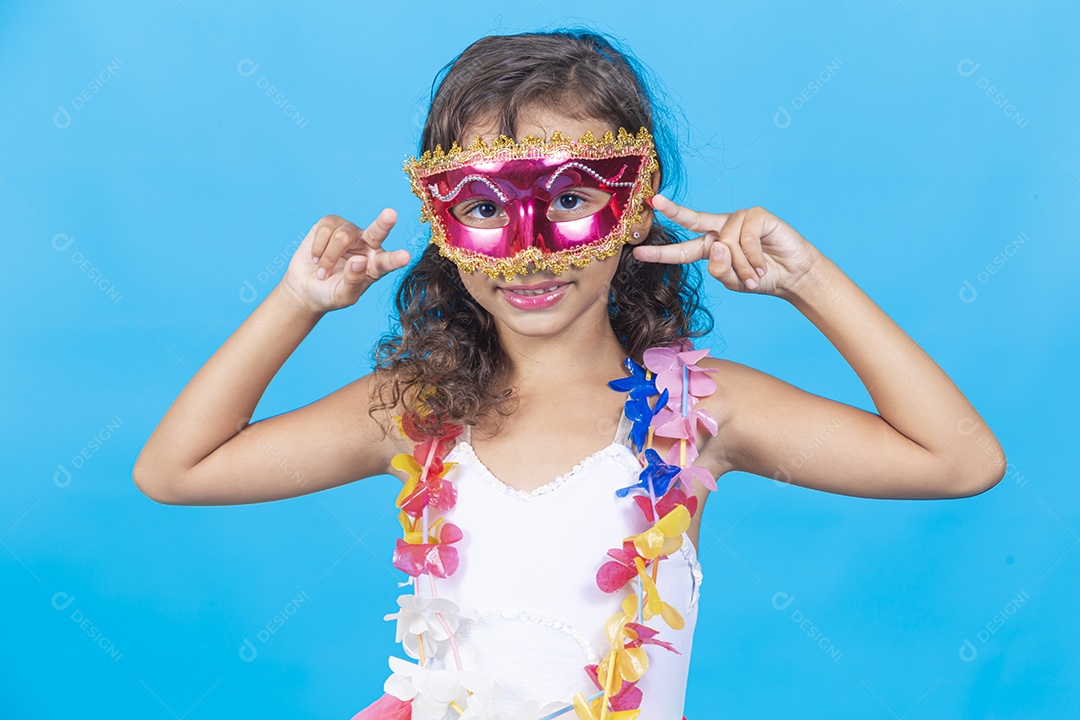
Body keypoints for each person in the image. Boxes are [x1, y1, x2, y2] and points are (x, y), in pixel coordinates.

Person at [132, 28, 1007, 720]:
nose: (531, 248)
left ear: (632, 203)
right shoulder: (415, 411)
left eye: (574, 197)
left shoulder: (698, 414)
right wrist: (297, 301)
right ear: (444, 223)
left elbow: (958, 461)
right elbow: (176, 470)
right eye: (484, 207)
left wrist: (809, 281)